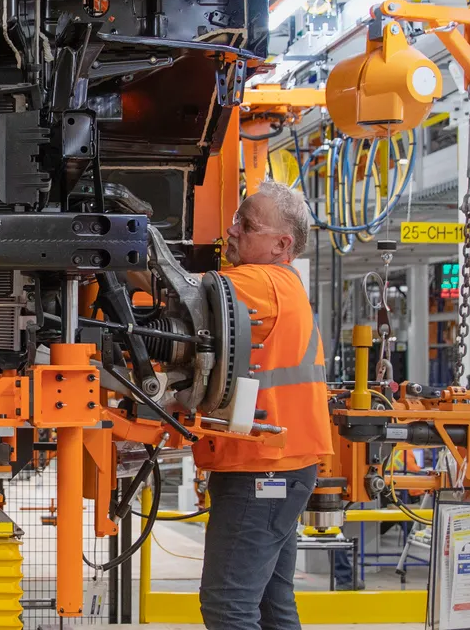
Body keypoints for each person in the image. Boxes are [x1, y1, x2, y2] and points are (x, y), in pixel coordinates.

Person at [196, 182, 333, 630]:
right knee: (273, 605)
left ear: (281, 244)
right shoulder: (283, 285)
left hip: (262, 469)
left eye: (247, 224)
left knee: (228, 606)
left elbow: (184, 296)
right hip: (281, 467)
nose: (232, 230)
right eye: (236, 219)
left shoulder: (260, 282)